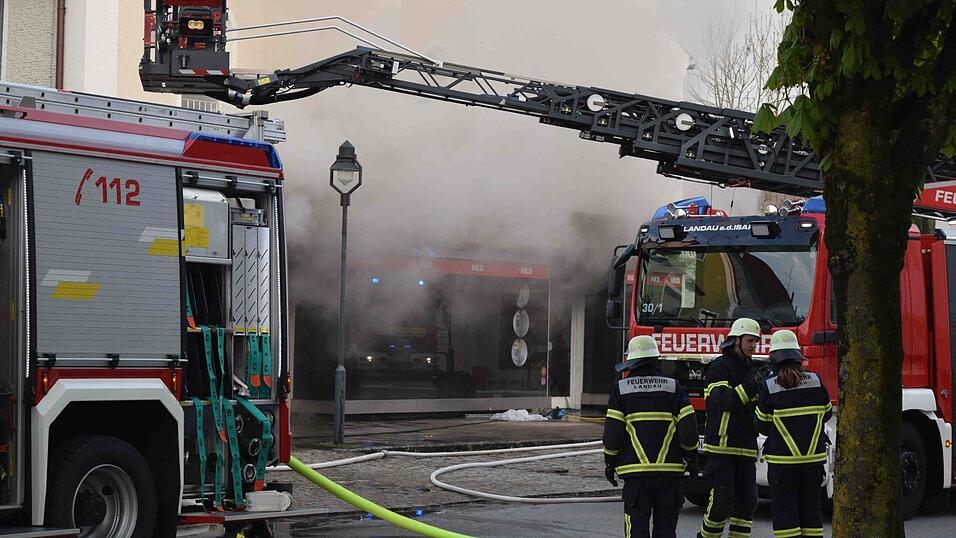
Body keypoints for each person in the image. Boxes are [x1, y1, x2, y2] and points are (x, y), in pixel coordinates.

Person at [603, 335, 698, 538]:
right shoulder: (674, 387)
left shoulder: (620, 390)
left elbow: (612, 435)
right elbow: (689, 431)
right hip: (669, 475)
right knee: (666, 532)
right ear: (655, 360)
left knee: (636, 532)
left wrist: (610, 461)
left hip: (636, 476)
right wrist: (691, 458)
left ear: (632, 362)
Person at [698, 318, 770, 538]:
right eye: (750, 340)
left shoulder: (753, 369)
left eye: (756, 341)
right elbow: (725, 401)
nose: (754, 345)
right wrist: (754, 383)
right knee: (720, 503)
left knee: (747, 503)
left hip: (746, 447)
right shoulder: (719, 368)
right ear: (736, 340)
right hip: (722, 447)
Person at [756, 330, 832, 538]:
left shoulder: (769, 386)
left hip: (783, 463)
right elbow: (826, 414)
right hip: (813, 461)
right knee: (811, 510)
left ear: (773, 358)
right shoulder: (816, 381)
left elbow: (762, 425)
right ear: (798, 356)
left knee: (785, 513)